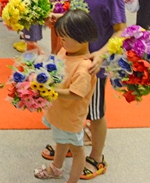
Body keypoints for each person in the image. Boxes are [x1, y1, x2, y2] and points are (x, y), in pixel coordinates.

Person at [41, 0, 126, 180]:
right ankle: (70, 142)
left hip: (93, 67)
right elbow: (77, 16)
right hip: (71, 61)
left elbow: (121, 30)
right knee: (70, 107)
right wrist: (60, 19)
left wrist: (101, 54)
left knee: (95, 113)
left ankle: (97, 157)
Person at [34, 10, 97, 183]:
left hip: (71, 118)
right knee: (60, 141)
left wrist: (49, 91)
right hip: (60, 112)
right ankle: (56, 168)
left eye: (65, 38)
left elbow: (76, 94)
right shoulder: (66, 51)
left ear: (83, 37)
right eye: (60, 37)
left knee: (77, 150)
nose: (61, 41)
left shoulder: (84, 67)